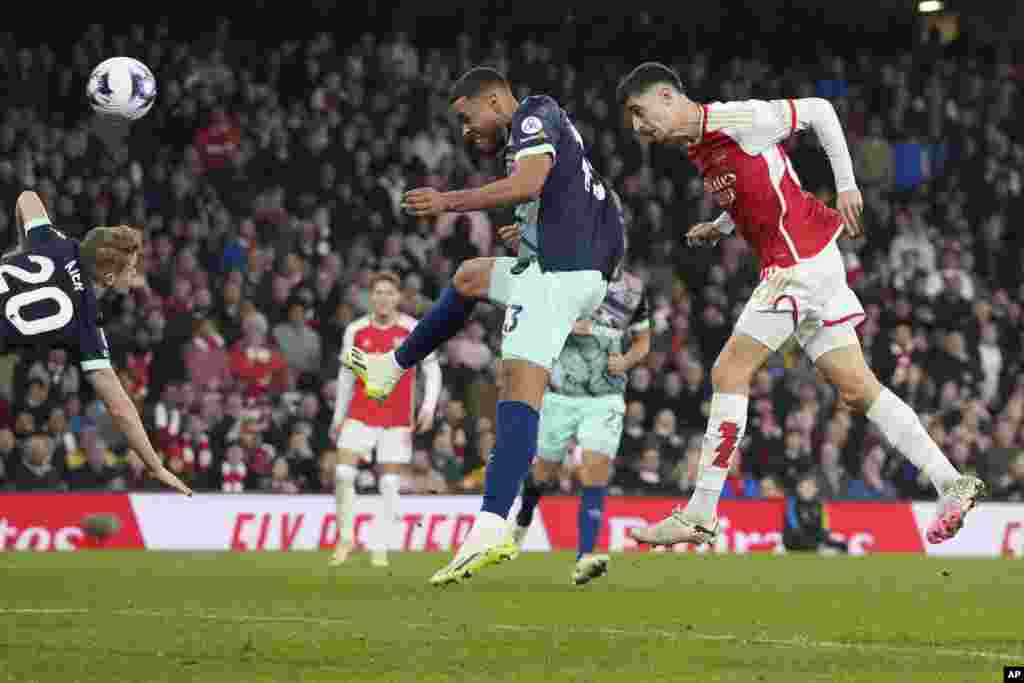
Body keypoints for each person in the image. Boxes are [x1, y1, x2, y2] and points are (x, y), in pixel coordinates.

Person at [615, 63, 982, 548]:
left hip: (797, 264)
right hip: (814, 261)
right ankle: (949, 481)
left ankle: (700, 512)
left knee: (729, 372)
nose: (639, 128)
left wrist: (847, 184)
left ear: (666, 96)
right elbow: (758, 187)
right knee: (858, 388)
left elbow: (819, 111)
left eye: (640, 113)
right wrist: (721, 227)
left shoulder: (736, 119)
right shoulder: (699, 147)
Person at [343, 67, 624, 585]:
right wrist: (544, 229)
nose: (466, 129)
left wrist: (447, 201)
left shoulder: (533, 115)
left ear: (493, 99)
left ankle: (491, 525)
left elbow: (531, 181)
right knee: (471, 277)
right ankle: (391, 367)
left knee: (518, 390)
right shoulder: (554, 128)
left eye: (467, 115)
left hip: (558, 279)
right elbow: (601, 199)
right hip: (574, 271)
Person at [7, 191, 191, 496]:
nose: (135, 274)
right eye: (130, 269)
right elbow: (120, 408)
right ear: (107, 276)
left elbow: (26, 198)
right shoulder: (86, 323)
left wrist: (22, 247)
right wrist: (156, 467)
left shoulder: (56, 242)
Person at [507, 209, 650, 585]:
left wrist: (629, 359)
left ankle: (585, 556)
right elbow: (537, 322)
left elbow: (643, 340)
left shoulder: (633, 290)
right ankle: (523, 518)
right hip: (561, 394)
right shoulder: (568, 280)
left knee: (594, 469)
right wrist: (569, 325)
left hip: (605, 398)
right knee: (542, 472)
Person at [329, 271, 441, 568]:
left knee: (389, 483)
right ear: (370, 297)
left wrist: (428, 406)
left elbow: (432, 369)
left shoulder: (412, 329)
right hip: (360, 412)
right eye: (377, 292)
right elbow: (345, 376)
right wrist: (338, 416)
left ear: (398, 297)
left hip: (397, 417)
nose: (383, 298)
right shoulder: (355, 330)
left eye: (389, 293)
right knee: (343, 474)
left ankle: (380, 546)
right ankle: (346, 538)